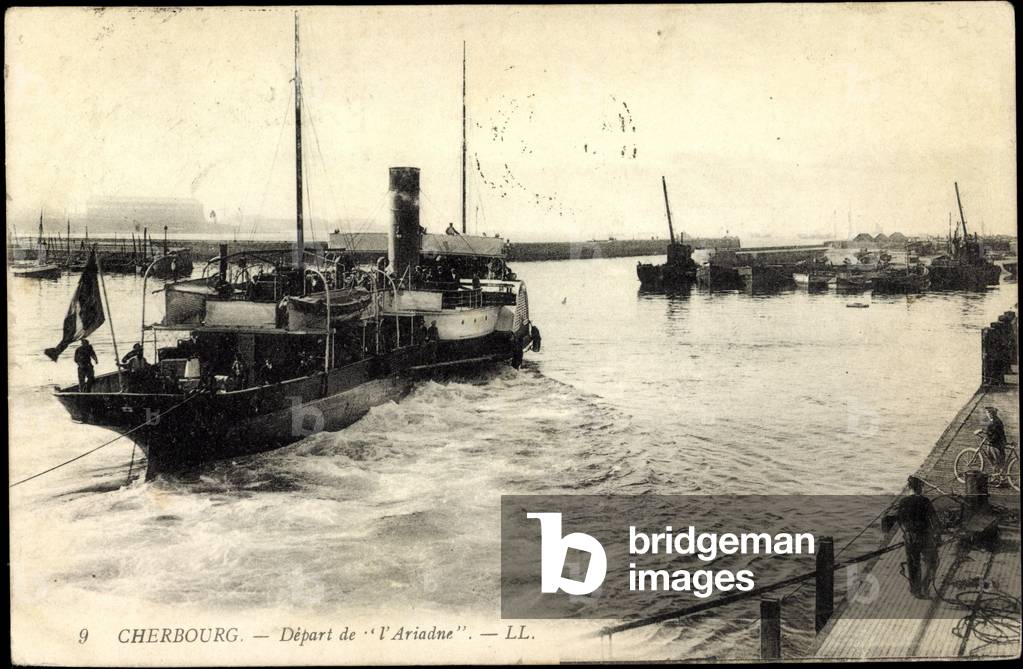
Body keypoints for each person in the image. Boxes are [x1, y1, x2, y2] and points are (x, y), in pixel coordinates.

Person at [896, 476, 941, 598]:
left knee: (913, 564)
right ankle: (925, 587)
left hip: (910, 538)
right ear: (920, 488)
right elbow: (935, 521)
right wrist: (938, 536)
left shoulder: (903, 502)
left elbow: (900, 521)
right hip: (925, 537)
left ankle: (915, 590)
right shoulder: (925, 501)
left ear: (909, 488)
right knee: (932, 561)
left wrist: (906, 533)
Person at [975, 406, 1007, 471]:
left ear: (991, 414)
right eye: (986, 413)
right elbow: (991, 430)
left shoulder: (995, 422)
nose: (987, 414)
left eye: (988, 413)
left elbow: (990, 430)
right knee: (992, 457)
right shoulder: (995, 420)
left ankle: (1000, 475)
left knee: (996, 460)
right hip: (994, 441)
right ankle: (997, 473)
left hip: (996, 444)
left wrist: (981, 430)